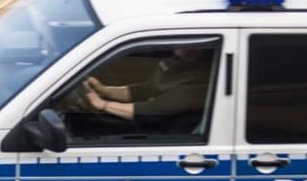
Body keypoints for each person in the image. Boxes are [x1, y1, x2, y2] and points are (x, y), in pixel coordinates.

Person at [79, 45, 214, 131]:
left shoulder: (204, 79)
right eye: (177, 44)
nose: (178, 50)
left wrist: (103, 105)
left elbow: (151, 111)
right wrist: (104, 90)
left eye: (192, 45)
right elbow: (145, 90)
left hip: (170, 136)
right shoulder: (181, 62)